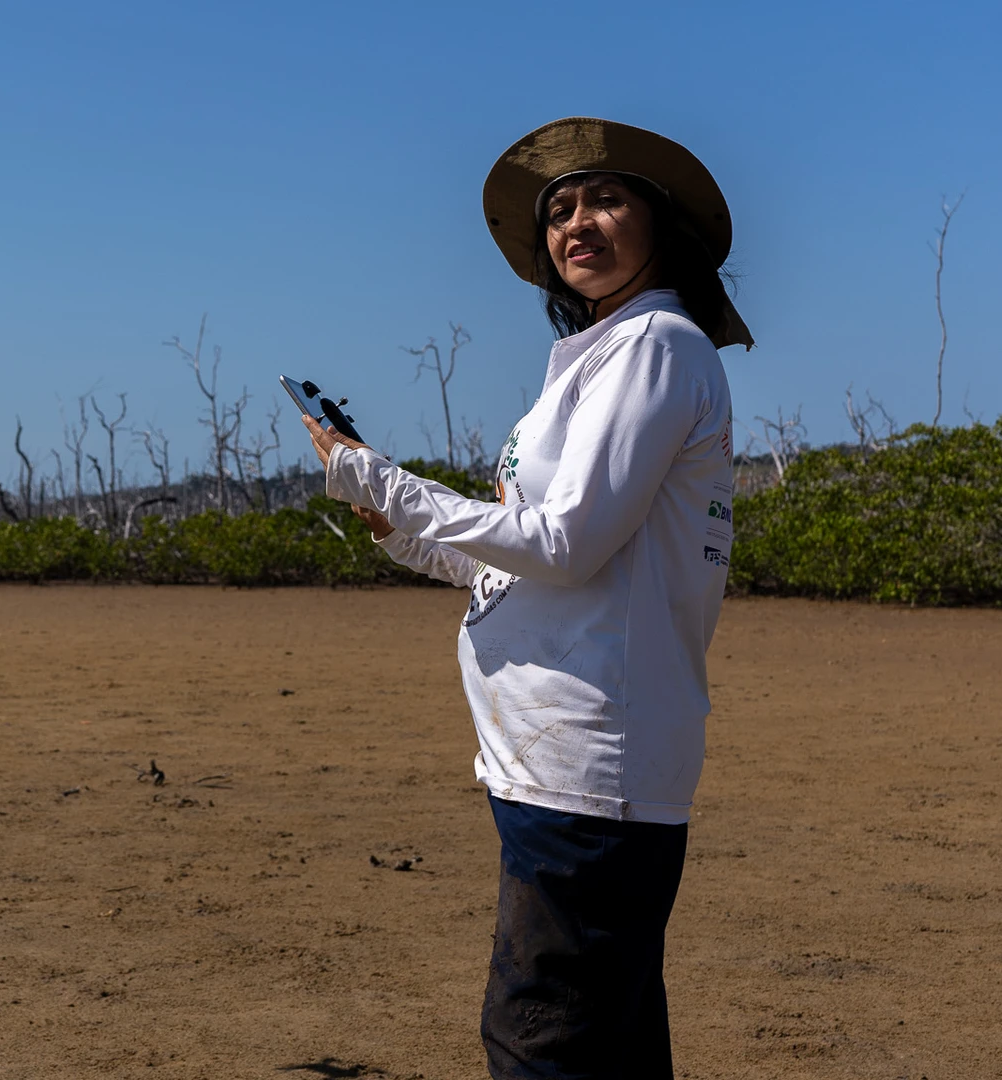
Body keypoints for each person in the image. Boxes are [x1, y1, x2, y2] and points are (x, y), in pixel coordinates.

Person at [301, 117, 752, 1079]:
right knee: (611, 1046)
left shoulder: (657, 347)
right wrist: (398, 527)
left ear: (659, 226)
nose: (574, 224)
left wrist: (384, 481)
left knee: (543, 1045)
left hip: (591, 764)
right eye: (558, 211)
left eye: (603, 200)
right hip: (552, 763)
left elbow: (565, 541)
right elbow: (517, 562)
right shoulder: (597, 361)